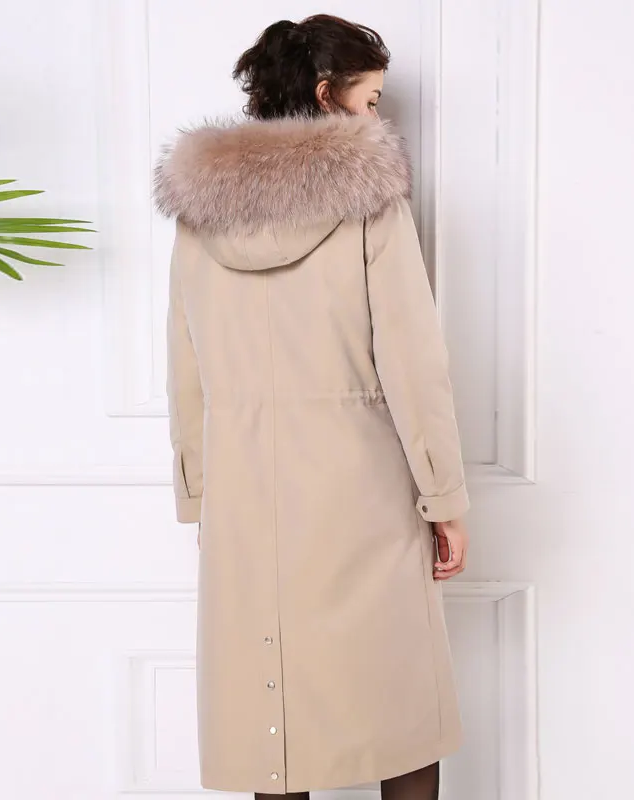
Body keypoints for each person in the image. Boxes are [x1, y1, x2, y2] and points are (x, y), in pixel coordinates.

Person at [153, 13, 471, 800]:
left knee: (272, 716)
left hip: (244, 494)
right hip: (361, 488)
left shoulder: (200, 212)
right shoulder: (372, 200)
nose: (377, 116)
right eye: (371, 100)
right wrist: (445, 498)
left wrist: (201, 497)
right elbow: (413, 362)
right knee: (403, 705)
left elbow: (186, 365)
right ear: (327, 94)